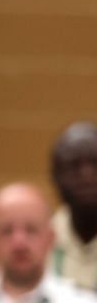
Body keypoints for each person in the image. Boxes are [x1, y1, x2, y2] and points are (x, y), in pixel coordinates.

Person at [49, 122, 97, 291]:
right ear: (55, 177)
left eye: (95, 164)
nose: (87, 176)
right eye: (73, 166)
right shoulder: (37, 243)